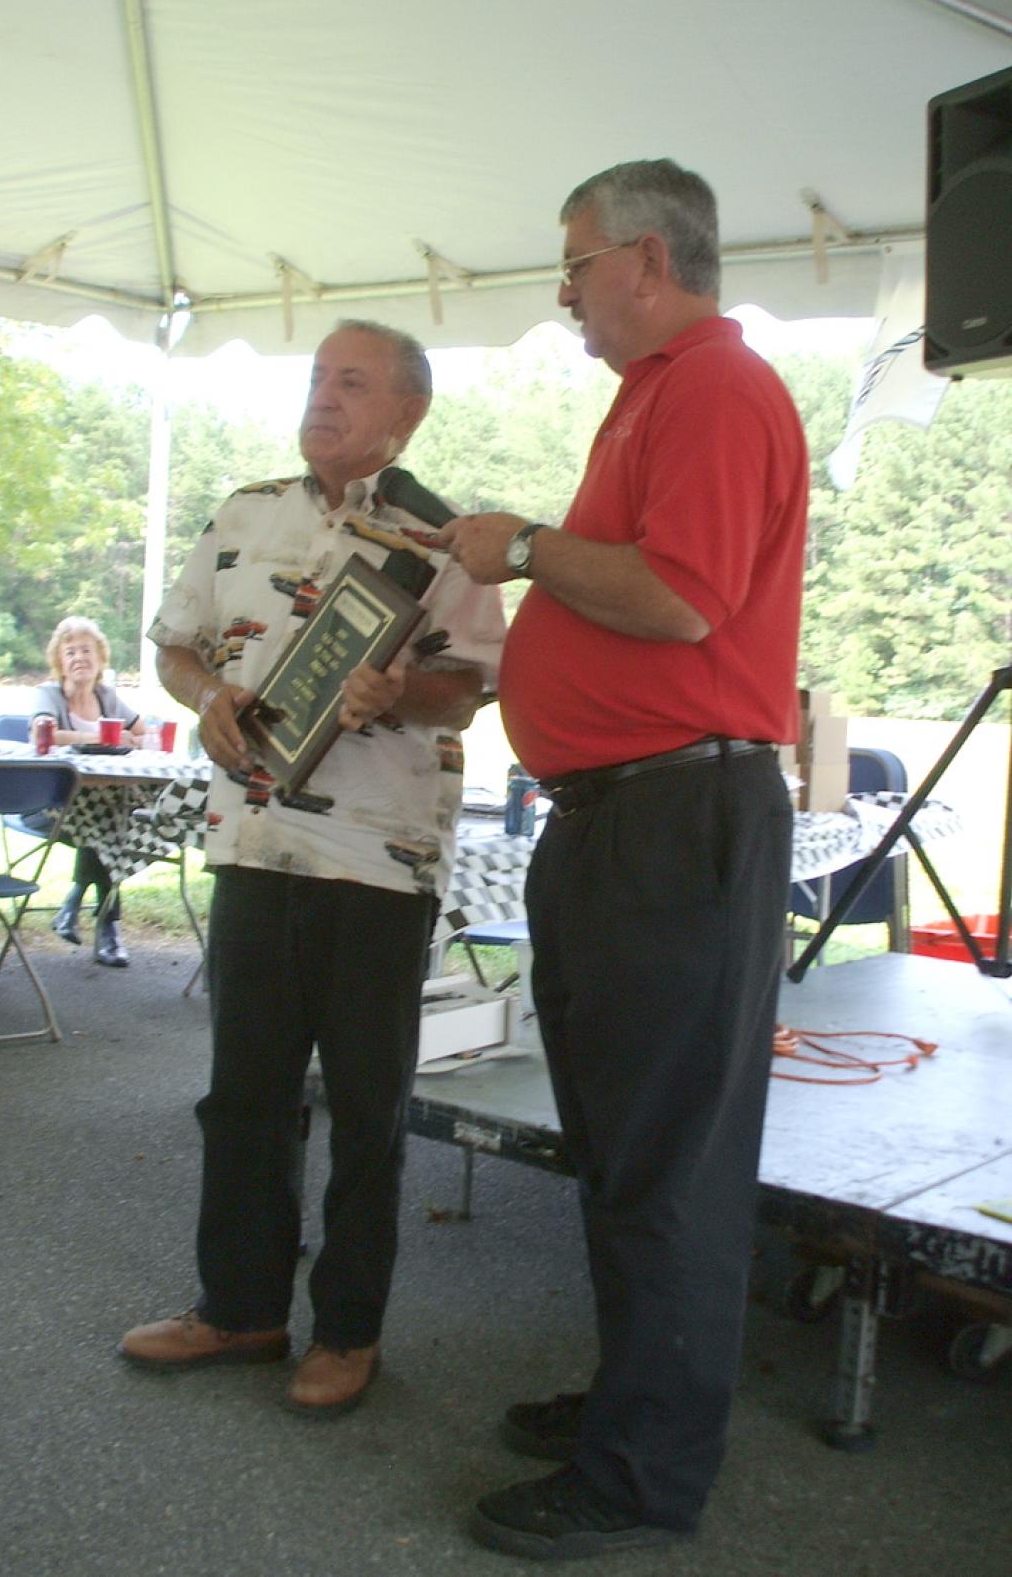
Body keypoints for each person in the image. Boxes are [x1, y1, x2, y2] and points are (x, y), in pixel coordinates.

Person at [445, 160, 808, 1560]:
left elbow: (677, 596)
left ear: (646, 261)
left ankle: (643, 1472)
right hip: (624, 818)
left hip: (672, 818)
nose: (564, 293)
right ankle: (630, 1404)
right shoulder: (661, 393)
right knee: (618, 1144)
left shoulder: (714, 386)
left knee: (665, 1161)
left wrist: (527, 547)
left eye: (576, 264)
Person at [118, 320, 505, 1416]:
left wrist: (403, 692)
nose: (323, 398)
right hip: (252, 842)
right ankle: (238, 1306)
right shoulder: (245, 512)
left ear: (406, 414)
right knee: (242, 1094)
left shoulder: (450, 540)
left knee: (367, 1110)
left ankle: (347, 1330)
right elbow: (176, 645)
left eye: (352, 382)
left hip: (377, 861)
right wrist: (206, 696)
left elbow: (473, 690)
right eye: (317, 378)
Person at [30, 615, 140, 968]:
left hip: (103, 807)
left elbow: (143, 733)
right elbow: (42, 735)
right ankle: (108, 927)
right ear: (59, 661)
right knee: (113, 824)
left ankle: (74, 901)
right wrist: (101, 738)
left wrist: (134, 738)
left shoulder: (107, 697)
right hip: (48, 804)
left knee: (120, 820)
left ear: (101, 658)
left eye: (86, 650)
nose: (79, 657)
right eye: (71, 651)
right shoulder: (48, 694)